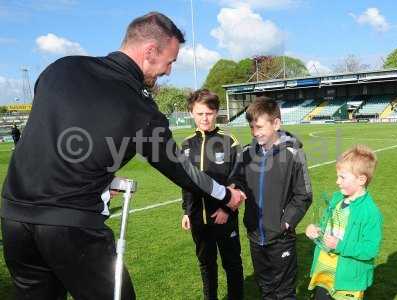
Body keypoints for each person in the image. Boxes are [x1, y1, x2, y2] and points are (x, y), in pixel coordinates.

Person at [0, 12, 245, 300]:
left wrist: (101, 176)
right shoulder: (140, 107)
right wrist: (226, 195)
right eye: (170, 61)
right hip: (71, 226)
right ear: (150, 52)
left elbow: (54, 136)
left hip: (13, 220)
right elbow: (180, 169)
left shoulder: (61, 68)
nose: (167, 71)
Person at [230, 98, 312, 299]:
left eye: (259, 126)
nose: (255, 132)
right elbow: (237, 179)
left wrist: (285, 222)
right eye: (251, 127)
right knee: (266, 288)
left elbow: (304, 194)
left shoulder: (294, 154)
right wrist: (233, 188)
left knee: (284, 291)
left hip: (281, 237)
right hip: (255, 235)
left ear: (276, 123)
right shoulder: (247, 153)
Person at [181, 89, 244, 300]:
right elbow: (186, 183)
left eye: (209, 113)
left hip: (224, 217)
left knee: (232, 263)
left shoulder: (230, 142)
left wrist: (227, 208)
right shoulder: (186, 145)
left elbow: (239, 180)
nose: (204, 118)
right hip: (199, 218)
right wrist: (186, 212)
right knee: (206, 264)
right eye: (199, 113)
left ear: (216, 112)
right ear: (191, 113)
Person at [306, 145, 383, 300]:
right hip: (324, 273)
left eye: (342, 177)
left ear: (361, 179)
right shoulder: (336, 199)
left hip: (348, 282)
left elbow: (370, 249)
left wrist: (339, 246)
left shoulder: (371, 212)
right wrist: (315, 231)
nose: (337, 181)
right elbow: (326, 226)